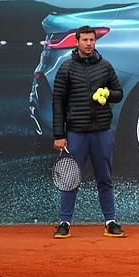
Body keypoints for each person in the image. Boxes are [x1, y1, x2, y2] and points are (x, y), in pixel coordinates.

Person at [52, 25, 126, 239]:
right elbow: (58, 102)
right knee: (70, 179)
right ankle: (64, 223)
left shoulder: (105, 66)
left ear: (95, 42)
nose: (88, 44)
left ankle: (110, 222)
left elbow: (119, 93)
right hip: (76, 133)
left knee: (105, 179)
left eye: (92, 40)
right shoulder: (66, 68)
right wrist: (59, 135)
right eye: (84, 40)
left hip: (102, 132)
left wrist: (108, 93)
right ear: (77, 42)